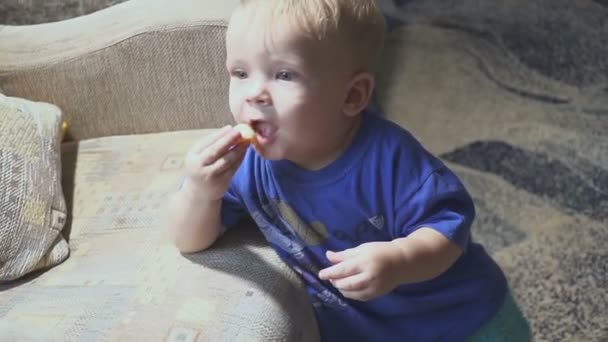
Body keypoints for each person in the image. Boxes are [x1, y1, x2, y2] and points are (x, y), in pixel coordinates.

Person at [167, 0, 530, 340]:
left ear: (352, 96)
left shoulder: (390, 159)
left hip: (461, 321)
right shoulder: (246, 163)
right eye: (241, 72)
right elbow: (189, 239)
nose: (254, 94)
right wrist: (200, 192)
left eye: (284, 75)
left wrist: (398, 260)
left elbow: (449, 231)